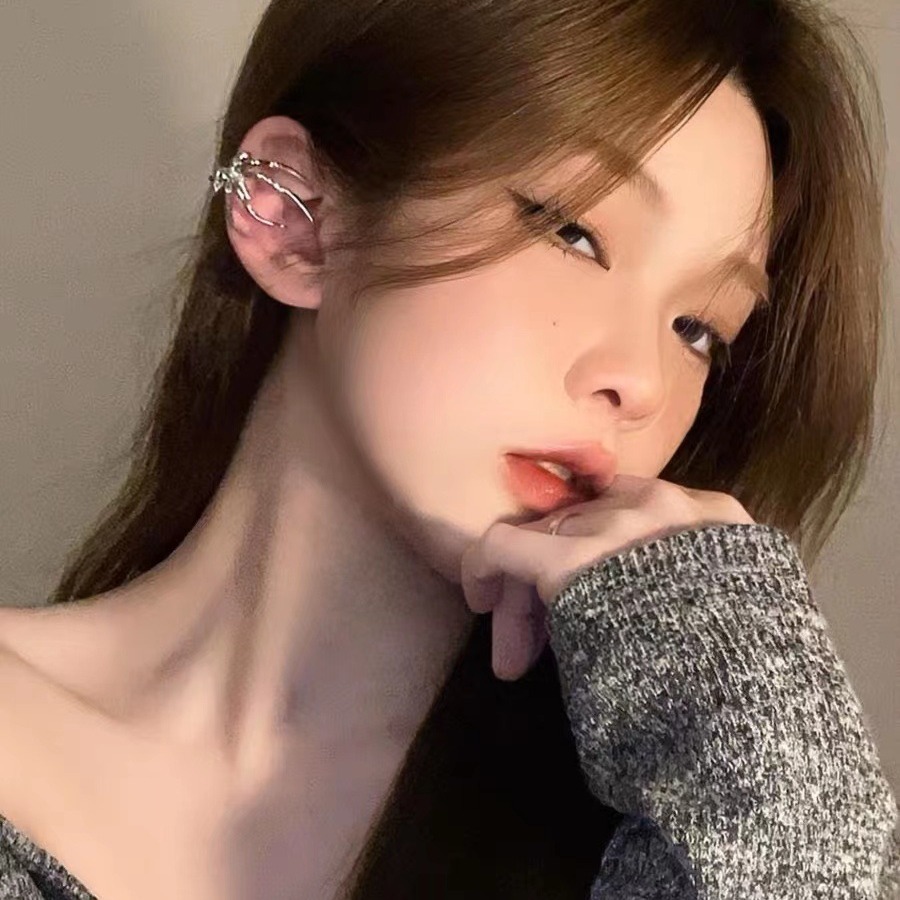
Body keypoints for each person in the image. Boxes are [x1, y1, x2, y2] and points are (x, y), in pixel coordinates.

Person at [0, 0, 897, 897]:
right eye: (572, 232)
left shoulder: (671, 831)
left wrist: (742, 708)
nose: (642, 381)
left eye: (698, 329)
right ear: (291, 213)